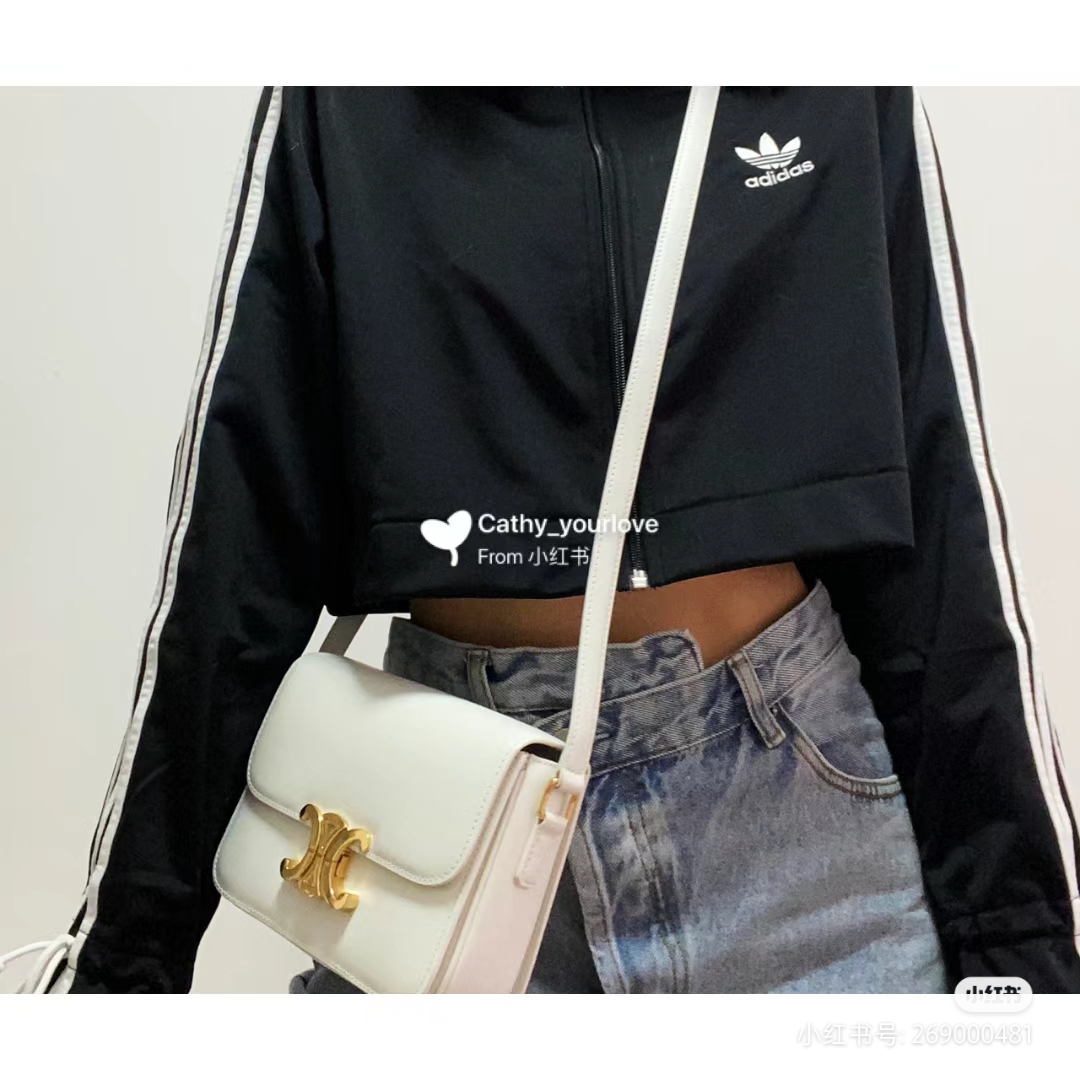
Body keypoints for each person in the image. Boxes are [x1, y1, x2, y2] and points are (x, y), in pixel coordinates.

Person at [8, 86, 1079, 993]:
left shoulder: (828, 68)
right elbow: (235, 540)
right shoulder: (345, 88)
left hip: (809, 853)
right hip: (442, 843)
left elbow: (942, 523)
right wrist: (120, 969)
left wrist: (1024, 956)